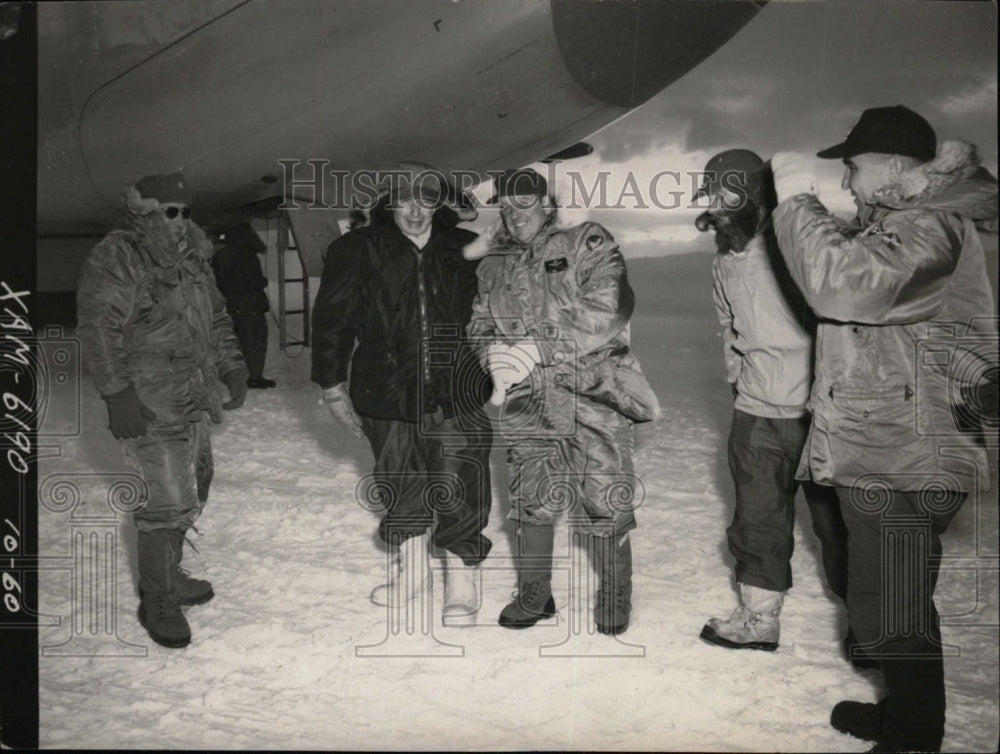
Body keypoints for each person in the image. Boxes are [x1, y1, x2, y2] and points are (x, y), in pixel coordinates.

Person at [771, 105, 998, 752]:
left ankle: (913, 738)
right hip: (893, 439)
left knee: (897, 603)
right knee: (886, 596)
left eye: (854, 165)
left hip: (912, 445)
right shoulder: (909, 223)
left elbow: (842, 286)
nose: (845, 180)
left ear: (896, 166)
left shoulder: (931, 227)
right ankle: (906, 717)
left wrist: (796, 203)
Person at [466, 168, 660, 635]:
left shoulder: (585, 242)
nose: (515, 215)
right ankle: (535, 594)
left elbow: (608, 306)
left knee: (604, 498)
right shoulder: (492, 268)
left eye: (525, 204)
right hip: (526, 399)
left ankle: (615, 597)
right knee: (530, 499)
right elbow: (478, 322)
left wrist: (539, 346)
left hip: (590, 393)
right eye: (507, 208)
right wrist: (494, 355)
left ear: (547, 204)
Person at [311, 164, 493, 626]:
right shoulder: (356, 248)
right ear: (386, 203)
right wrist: (332, 387)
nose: (415, 211)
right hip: (385, 390)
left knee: (460, 481)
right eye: (403, 200)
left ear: (439, 202)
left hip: (455, 389)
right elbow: (333, 321)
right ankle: (413, 574)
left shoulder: (462, 247)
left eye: (426, 200)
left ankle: (461, 580)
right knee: (400, 479)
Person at [76, 172, 249, 649]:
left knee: (198, 484)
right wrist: (118, 395)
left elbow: (215, 316)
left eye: (186, 213)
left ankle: (168, 574)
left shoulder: (193, 256)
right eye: (170, 211)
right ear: (144, 211)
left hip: (191, 396)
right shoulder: (118, 255)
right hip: (148, 402)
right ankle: (156, 596)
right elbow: (98, 327)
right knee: (166, 499)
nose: (180, 221)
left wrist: (233, 366)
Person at [692, 149, 850, 653]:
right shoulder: (724, 261)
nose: (716, 209)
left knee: (841, 525)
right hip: (758, 413)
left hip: (820, 413)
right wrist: (740, 379)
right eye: (710, 198)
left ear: (756, 197)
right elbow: (729, 328)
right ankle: (759, 620)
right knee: (756, 520)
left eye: (727, 197)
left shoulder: (796, 250)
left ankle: (869, 628)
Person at [212, 223, 276, 388]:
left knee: (239, 342)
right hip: (251, 305)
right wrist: (264, 281)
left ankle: (238, 376)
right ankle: (254, 377)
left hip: (233, 306)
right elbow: (255, 280)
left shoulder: (221, 255)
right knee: (257, 341)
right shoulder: (248, 255)